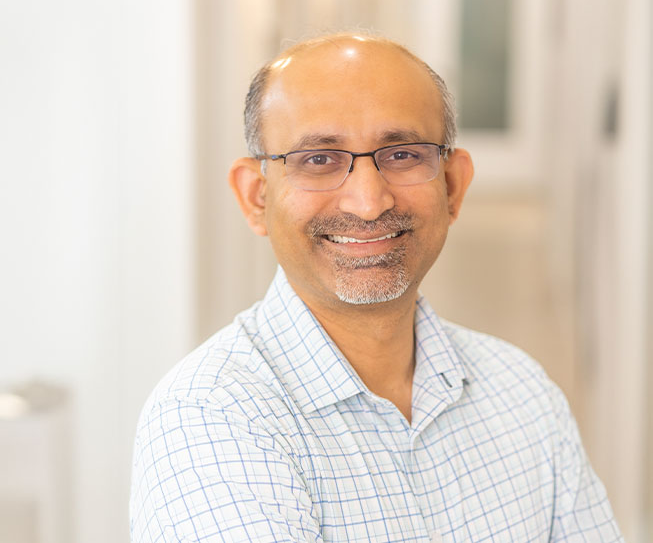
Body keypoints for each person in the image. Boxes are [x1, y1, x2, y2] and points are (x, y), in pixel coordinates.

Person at [130, 34, 622, 542]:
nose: (368, 201)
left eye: (403, 154)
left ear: (453, 186)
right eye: (318, 160)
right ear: (256, 198)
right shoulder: (210, 422)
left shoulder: (523, 392)